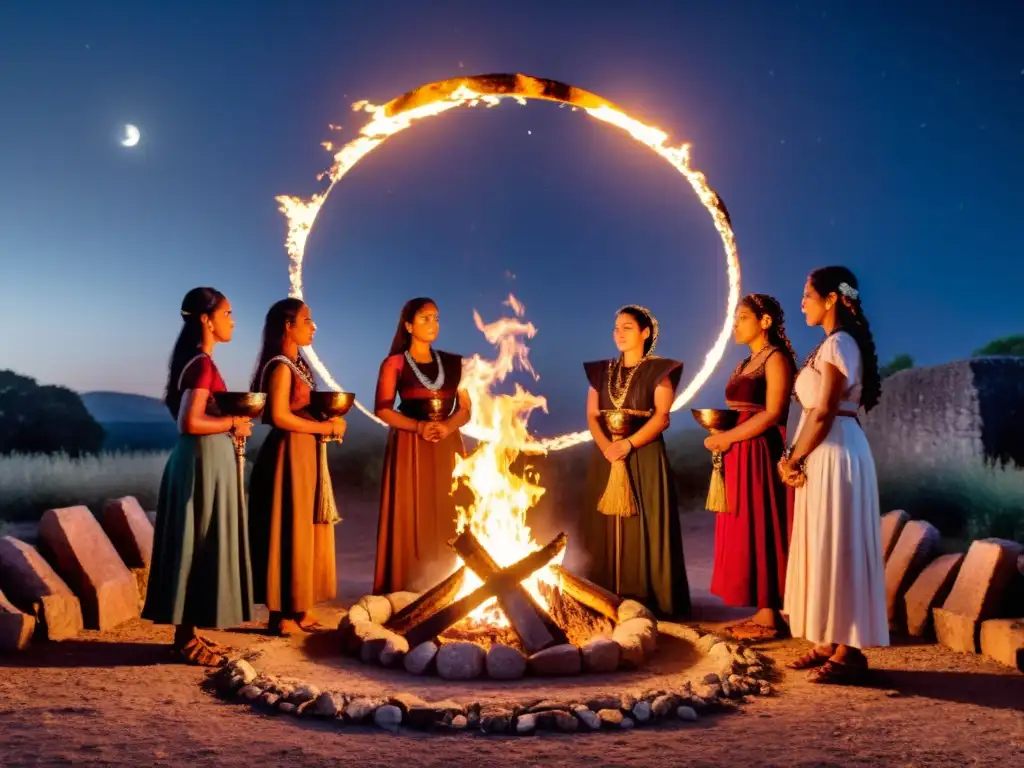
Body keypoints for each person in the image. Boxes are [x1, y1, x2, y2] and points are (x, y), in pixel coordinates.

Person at [779, 266, 888, 684]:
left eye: (807, 295)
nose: (802, 302)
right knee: (823, 541)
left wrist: (792, 459)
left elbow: (824, 410)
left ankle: (850, 650)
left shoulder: (841, 343)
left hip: (837, 451)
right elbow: (815, 413)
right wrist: (796, 455)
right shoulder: (829, 345)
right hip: (825, 449)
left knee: (839, 542)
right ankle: (827, 637)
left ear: (830, 299)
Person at [143, 287, 254, 666]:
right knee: (197, 541)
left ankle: (189, 634)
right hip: (200, 465)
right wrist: (234, 422)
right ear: (207, 319)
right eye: (227, 312)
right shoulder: (201, 364)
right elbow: (189, 422)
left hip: (204, 463)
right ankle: (185, 638)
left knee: (201, 542)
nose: (232, 320)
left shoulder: (197, 361)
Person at [581, 305, 690, 618]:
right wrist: (607, 448)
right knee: (604, 525)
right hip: (606, 456)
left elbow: (662, 417)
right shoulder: (600, 371)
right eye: (616, 327)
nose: (619, 333)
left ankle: (647, 598)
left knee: (644, 520)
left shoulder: (660, 371)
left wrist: (627, 445)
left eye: (627, 327)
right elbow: (591, 414)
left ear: (645, 333)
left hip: (644, 455)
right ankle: (604, 595)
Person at [247, 298, 346, 636]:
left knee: (305, 529)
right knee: (288, 529)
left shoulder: (298, 363)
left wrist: (328, 419)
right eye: (307, 320)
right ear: (287, 326)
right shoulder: (279, 365)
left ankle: (300, 606)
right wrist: (324, 428)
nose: (313, 326)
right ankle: (280, 614)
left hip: (306, 454)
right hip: (287, 457)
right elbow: (277, 415)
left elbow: (300, 409)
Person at [704, 294, 797, 640]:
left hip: (759, 451)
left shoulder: (775, 359)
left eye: (743, 317)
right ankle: (763, 613)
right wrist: (719, 433)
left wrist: (730, 438)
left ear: (765, 321)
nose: (736, 325)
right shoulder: (742, 364)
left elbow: (773, 412)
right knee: (743, 526)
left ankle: (771, 616)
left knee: (762, 525)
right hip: (736, 453)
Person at [373, 297, 471, 594]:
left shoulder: (454, 364)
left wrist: (446, 426)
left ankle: (450, 581)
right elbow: (383, 409)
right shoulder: (394, 363)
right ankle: (409, 584)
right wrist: (419, 427)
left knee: (449, 508)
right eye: (426, 318)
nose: (433, 324)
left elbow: (465, 408)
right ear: (408, 325)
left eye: (437, 318)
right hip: (410, 445)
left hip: (446, 443)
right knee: (412, 512)